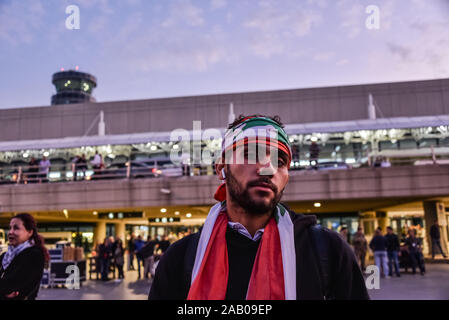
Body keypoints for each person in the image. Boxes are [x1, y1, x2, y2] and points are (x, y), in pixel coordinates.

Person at [149, 115, 369, 300]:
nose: (268, 168)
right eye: (251, 154)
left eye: (280, 161)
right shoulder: (182, 257)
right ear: (221, 168)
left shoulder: (327, 251)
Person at [0, 213, 49, 300]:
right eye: (10, 228)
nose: (10, 232)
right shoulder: (5, 256)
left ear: (30, 232)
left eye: (16, 228)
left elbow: (12, 284)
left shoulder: (34, 255)